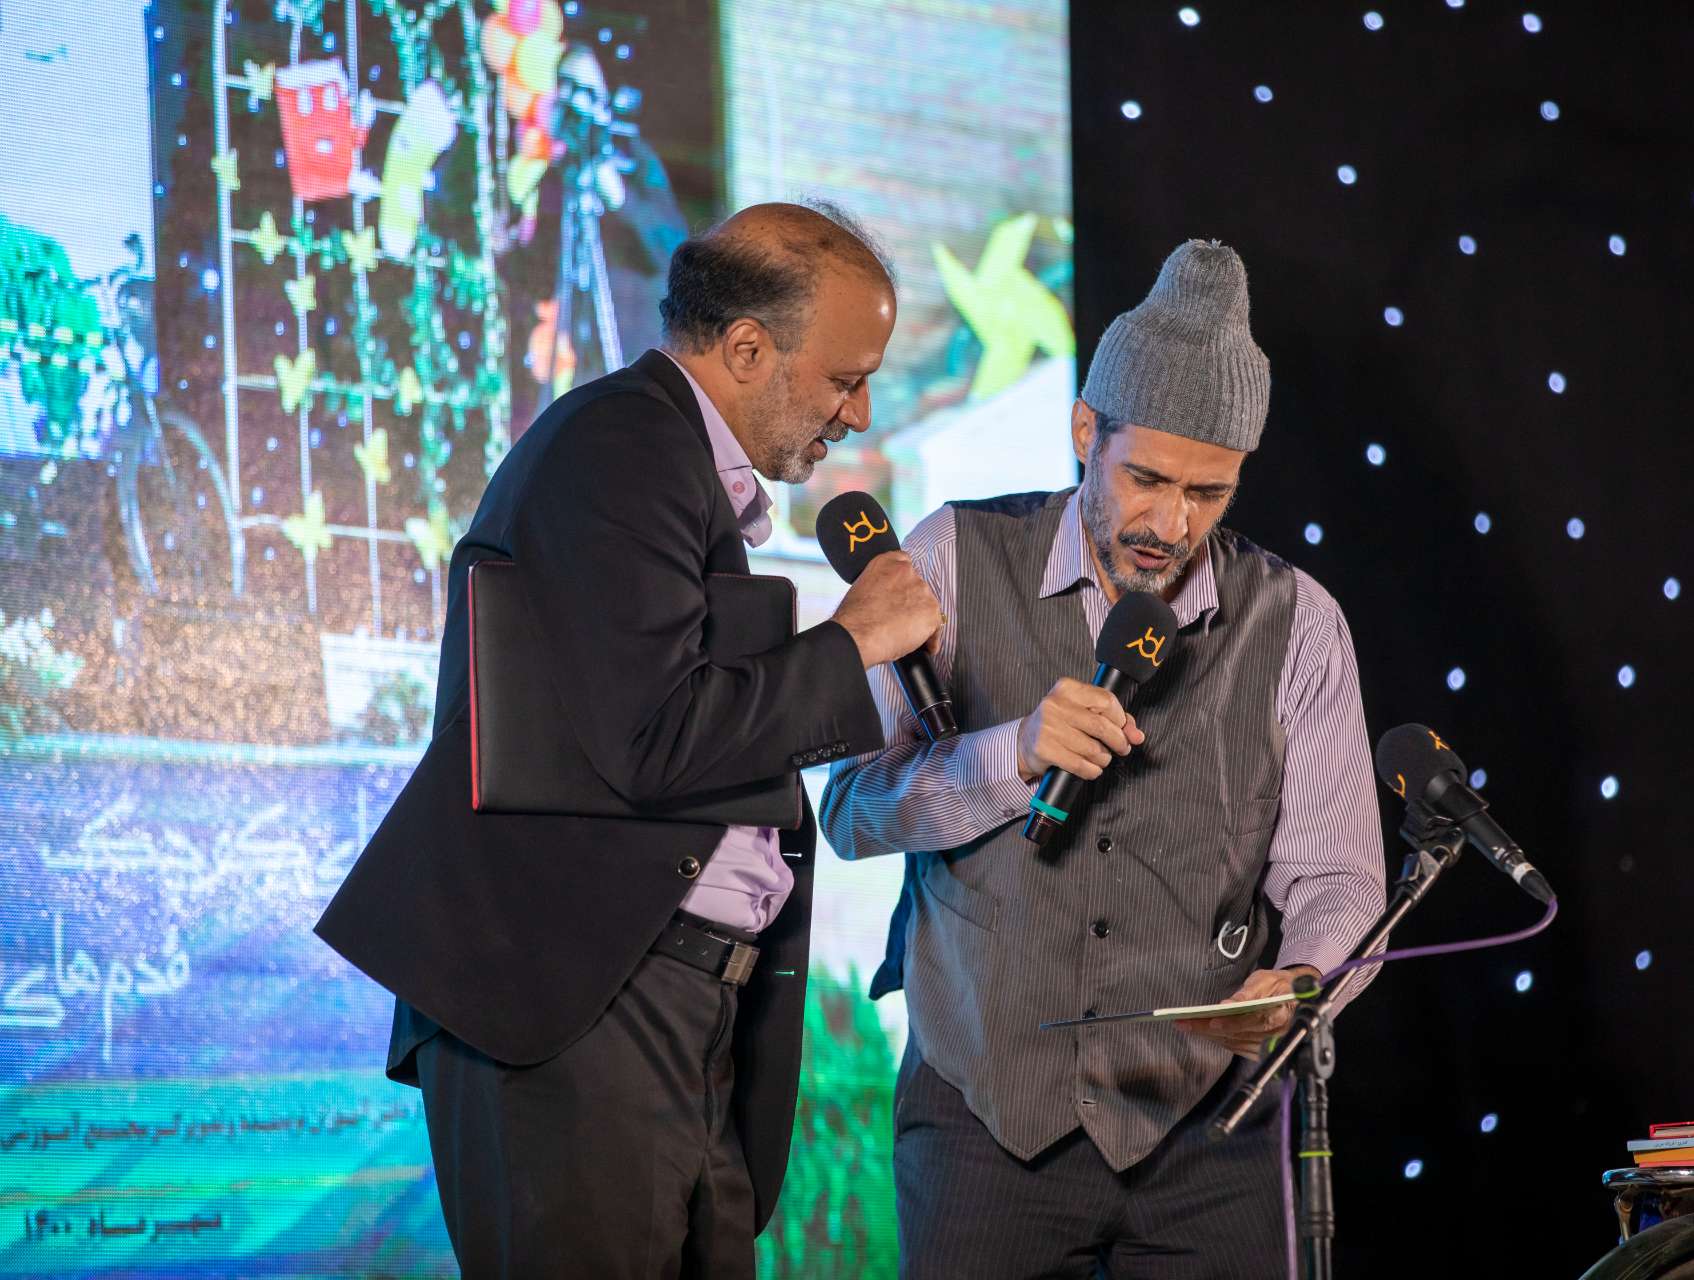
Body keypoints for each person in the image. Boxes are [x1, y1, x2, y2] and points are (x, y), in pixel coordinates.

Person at [316, 202, 942, 1278]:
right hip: (580, 1006)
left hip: (656, 1006)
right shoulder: (621, 442)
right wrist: (852, 644)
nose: (861, 411)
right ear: (747, 348)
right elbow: (652, 734)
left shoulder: (662, 457)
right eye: (845, 379)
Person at [821, 239, 1388, 1278]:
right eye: (1147, 478)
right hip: (984, 1123)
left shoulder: (1300, 623)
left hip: (1211, 1133)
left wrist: (1303, 979)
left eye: (1209, 492)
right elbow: (852, 811)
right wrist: (1012, 753)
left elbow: (1339, 875)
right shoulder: (948, 559)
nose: (1171, 523)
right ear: (1086, 430)